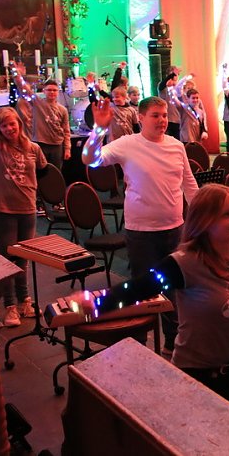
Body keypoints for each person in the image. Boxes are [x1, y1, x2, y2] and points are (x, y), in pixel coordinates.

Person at [78, 184, 229, 414]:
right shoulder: (184, 263)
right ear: (205, 221)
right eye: (226, 214)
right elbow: (137, 289)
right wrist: (96, 304)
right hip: (198, 376)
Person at [82, 95, 200, 350]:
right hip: (141, 232)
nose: (162, 120)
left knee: (173, 287)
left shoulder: (176, 145)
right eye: (155, 116)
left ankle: (172, 342)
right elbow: (90, 159)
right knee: (143, 289)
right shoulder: (127, 144)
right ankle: (139, 343)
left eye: (164, 115)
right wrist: (99, 130)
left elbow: (189, 183)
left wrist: (202, 214)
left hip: (174, 228)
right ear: (141, 118)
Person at [0, 108, 47, 327]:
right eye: (3, 126)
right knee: (7, 259)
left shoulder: (33, 148)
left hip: (27, 209)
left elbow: (43, 170)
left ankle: (25, 302)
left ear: (19, 124)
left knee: (23, 258)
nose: (9, 129)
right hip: (2, 211)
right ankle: (10, 306)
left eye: (12, 124)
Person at [13, 76, 71, 169]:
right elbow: (25, 89)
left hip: (57, 145)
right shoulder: (37, 103)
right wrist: (17, 74)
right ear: (44, 91)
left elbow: (66, 130)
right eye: (49, 90)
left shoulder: (63, 109)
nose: (52, 92)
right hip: (40, 144)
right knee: (40, 171)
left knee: (56, 172)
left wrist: (67, 148)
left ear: (58, 92)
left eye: (54, 90)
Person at [157, 67, 181, 139]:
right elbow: (162, 85)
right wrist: (172, 75)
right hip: (167, 120)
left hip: (178, 120)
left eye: (176, 75)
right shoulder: (163, 86)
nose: (174, 77)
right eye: (172, 75)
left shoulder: (179, 88)